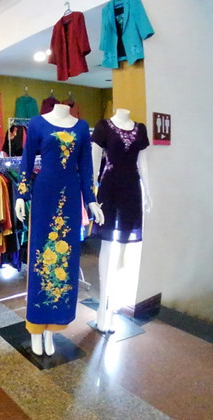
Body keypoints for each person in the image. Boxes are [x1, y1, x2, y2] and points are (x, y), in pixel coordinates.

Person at [15, 104, 104, 356]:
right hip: (44, 194)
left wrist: (91, 200)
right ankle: (35, 327)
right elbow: (26, 161)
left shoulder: (82, 127)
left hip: (70, 198)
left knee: (64, 261)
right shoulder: (37, 123)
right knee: (40, 260)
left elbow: (86, 167)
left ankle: (52, 329)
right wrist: (21, 194)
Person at [91, 108, 152, 333]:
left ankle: (112, 304)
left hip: (132, 190)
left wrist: (149, 193)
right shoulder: (103, 127)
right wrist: (91, 195)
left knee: (123, 249)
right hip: (109, 189)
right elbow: (94, 164)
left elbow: (143, 164)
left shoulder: (140, 130)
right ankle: (102, 307)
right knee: (108, 245)